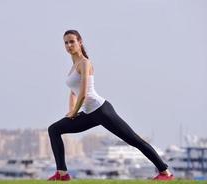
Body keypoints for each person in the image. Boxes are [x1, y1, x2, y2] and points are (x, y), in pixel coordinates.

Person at [47, 30, 174, 181]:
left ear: (80, 42)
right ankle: (62, 173)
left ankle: (165, 172)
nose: (68, 45)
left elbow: (83, 92)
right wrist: (71, 111)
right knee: (54, 129)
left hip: (102, 110)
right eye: (66, 43)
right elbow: (73, 92)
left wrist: (75, 112)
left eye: (72, 41)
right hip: (88, 113)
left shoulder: (85, 63)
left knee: (134, 140)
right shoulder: (74, 66)